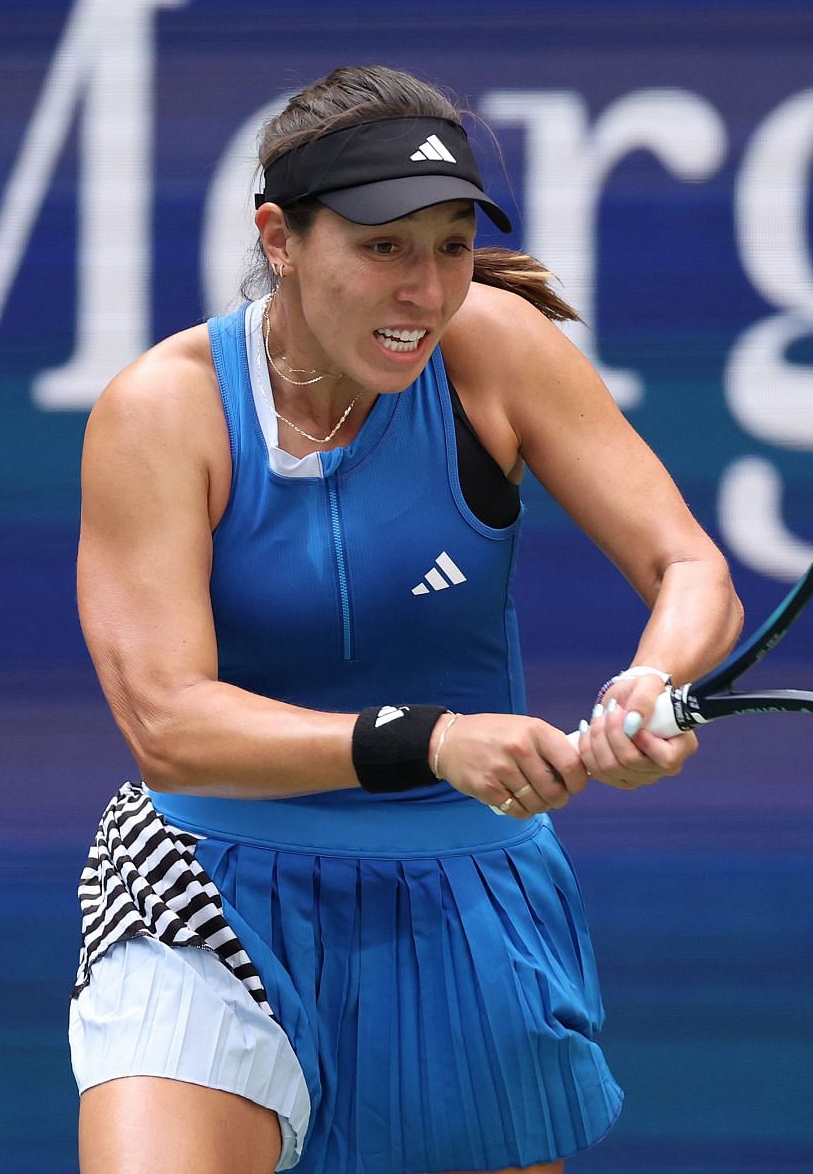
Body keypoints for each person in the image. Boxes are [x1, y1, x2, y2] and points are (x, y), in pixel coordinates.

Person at [68, 65, 743, 1174]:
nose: (427, 289)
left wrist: (652, 684)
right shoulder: (164, 408)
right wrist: (428, 736)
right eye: (384, 247)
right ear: (279, 238)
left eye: (449, 245)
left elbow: (690, 567)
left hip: (465, 897)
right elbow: (167, 724)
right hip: (205, 887)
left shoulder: (497, 347)